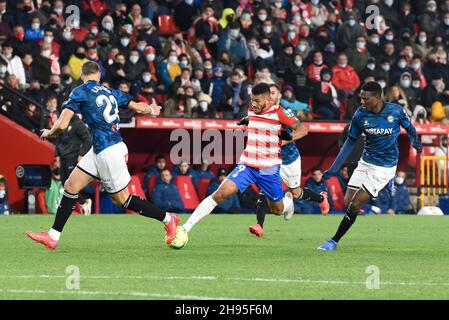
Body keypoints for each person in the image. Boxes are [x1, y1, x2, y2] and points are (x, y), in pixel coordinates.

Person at [26, 61, 180, 250]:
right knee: (71, 185)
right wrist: (151, 109)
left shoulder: (80, 91)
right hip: (100, 148)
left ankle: (168, 218)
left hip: (109, 150)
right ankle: (52, 236)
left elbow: (63, 123)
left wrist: (50, 132)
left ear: (82, 76)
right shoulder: (111, 92)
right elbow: (138, 107)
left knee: (122, 199)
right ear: (99, 76)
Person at [180, 83, 305, 238]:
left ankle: (288, 204)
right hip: (247, 165)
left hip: (269, 170)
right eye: (252, 100)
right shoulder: (252, 110)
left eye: (257, 101)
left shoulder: (279, 113)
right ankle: (185, 228)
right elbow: (253, 118)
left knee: (277, 210)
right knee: (220, 194)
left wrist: (286, 140)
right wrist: (246, 120)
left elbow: (302, 130)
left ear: (268, 100)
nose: (253, 104)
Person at [317, 81, 422, 251]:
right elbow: (350, 142)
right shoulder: (360, 115)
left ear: (378, 97)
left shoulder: (396, 111)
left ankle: (333, 241)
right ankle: (380, 188)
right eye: (361, 98)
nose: (362, 102)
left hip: (384, 168)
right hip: (366, 162)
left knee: (354, 206)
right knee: (346, 203)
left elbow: (409, 128)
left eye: (366, 99)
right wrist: (334, 168)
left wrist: (415, 141)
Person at [246, 84, 329, 238]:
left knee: (296, 192)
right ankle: (259, 225)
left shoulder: (285, 112)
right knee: (264, 191)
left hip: (289, 160)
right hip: (270, 159)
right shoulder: (258, 112)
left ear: (278, 95)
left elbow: (302, 130)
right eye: (268, 93)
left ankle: (321, 198)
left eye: (273, 92)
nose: (270, 96)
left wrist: (282, 142)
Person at [55, 113, 92, 215]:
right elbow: (58, 140)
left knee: (70, 184)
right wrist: (57, 156)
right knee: (64, 184)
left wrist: (81, 154)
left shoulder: (78, 124)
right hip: (63, 158)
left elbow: (87, 139)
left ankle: (77, 206)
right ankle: (84, 202)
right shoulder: (61, 123)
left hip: (73, 157)